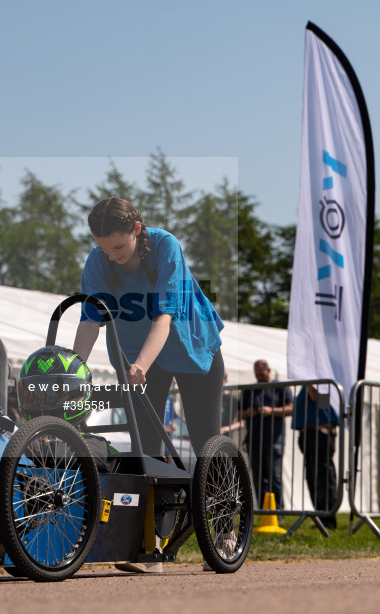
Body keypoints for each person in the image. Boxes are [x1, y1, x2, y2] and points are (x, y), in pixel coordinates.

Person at [72, 197, 227, 572]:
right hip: (139, 356)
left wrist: (141, 363)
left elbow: (164, 318)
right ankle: (151, 547)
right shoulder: (99, 260)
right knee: (145, 447)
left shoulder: (164, 247)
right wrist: (71, 371)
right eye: (103, 247)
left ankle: (223, 534)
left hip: (193, 349)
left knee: (208, 440)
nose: (111, 256)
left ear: (137, 230)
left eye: (118, 247)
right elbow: (90, 322)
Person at [238, 360, 292, 510]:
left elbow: (291, 408)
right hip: (254, 440)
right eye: (256, 375)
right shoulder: (249, 390)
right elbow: (239, 414)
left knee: (275, 477)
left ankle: (279, 511)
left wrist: (271, 411)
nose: (259, 377)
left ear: (269, 371)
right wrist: (254, 412)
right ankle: (263, 510)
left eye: (261, 374)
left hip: (275, 439)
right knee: (258, 477)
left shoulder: (280, 387)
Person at [292, 384, 339, 530]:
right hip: (310, 435)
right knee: (313, 479)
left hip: (320, 434)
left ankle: (328, 519)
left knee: (323, 479)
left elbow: (317, 398)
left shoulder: (321, 380)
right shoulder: (311, 381)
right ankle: (321, 518)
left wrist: (308, 380)